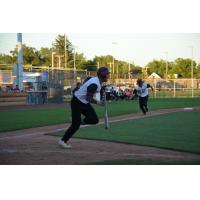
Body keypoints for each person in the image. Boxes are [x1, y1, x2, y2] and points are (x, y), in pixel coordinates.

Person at [58, 66, 110, 148]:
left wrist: (101, 90)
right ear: (103, 75)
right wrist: (98, 102)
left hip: (84, 103)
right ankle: (63, 141)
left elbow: (87, 84)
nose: (108, 76)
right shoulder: (95, 84)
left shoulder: (97, 81)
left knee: (94, 119)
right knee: (75, 126)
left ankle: (77, 121)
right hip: (77, 102)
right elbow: (88, 98)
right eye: (107, 74)